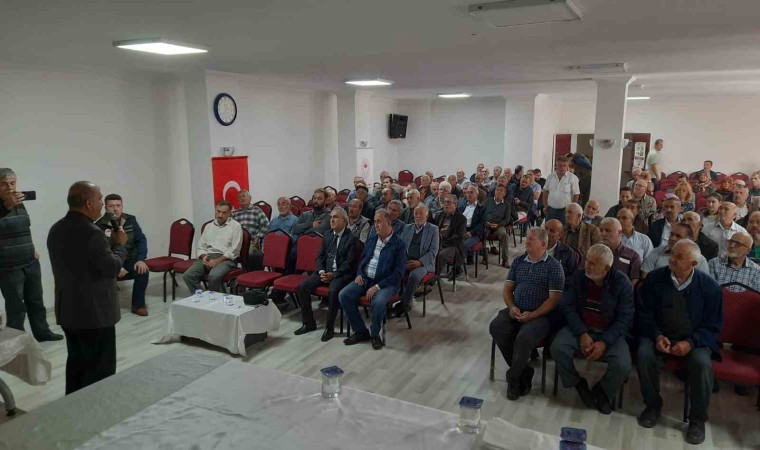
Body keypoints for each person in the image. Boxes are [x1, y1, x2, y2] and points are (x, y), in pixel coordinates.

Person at [636, 239, 723, 445]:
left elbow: (713, 326)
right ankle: (652, 406)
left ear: (693, 264)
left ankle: (697, 419)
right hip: (660, 335)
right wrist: (657, 335)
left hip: (694, 340)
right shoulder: (655, 278)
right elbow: (644, 314)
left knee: (702, 365)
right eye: (672, 254)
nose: (672, 259)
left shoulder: (710, 287)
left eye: (679, 257)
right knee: (644, 354)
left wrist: (690, 343)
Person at [48, 181, 127, 394]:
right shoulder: (92, 232)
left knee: (77, 364)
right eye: (100, 200)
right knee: (100, 369)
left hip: (68, 310)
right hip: (95, 313)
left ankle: (72, 405)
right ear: (89, 203)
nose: (102, 204)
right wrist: (119, 245)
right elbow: (111, 268)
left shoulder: (56, 228)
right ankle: (95, 410)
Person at [551, 244, 633, 415]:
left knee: (623, 365)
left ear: (607, 268)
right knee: (558, 348)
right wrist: (581, 333)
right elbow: (568, 308)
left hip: (609, 332)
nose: (587, 266)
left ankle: (602, 391)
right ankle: (576, 382)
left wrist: (605, 342)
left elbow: (624, 319)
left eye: (594, 263)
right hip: (581, 328)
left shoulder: (622, 283)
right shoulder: (579, 277)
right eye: (587, 260)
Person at [489, 227, 564, 401]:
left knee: (524, 337)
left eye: (531, 239)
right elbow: (507, 290)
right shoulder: (519, 261)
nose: (526, 241)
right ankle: (524, 371)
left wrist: (533, 314)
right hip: (517, 309)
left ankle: (513, 380)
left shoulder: (554, 266)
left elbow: (554, 300)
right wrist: (511, 307)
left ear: (543, 244)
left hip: (541, 316)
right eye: (527, 238)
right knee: (496, 326)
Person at [0, 168, 62, 341]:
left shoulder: (20, 203)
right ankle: (17, 341)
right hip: (8, 266)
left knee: (36, 301)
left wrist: (31, 248)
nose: (9, 187)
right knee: (15, 307)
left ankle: (43, 333)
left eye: (12, 183)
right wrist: (5, 207)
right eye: (4, 184)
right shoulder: (8, 204)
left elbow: (24, 228)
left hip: (30, 261)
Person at [339, 210, 407, 350]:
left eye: (379, 221)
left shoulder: (399, 244)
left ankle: (375, 334)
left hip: (387, 283)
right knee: (344, 295)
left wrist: (377, 287)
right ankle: (361, 331)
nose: (376, 225)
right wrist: (359, 274)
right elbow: (363, 260)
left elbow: (398, 273)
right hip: (366, 278)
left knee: (379, 302)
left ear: (389, 223)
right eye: (375, 221)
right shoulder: (372, 239)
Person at [294, 207, 359, 341]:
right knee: (302, 287)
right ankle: (309, 323)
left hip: (341, 274)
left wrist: (333, 275)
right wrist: (322, 271)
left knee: (333, 290)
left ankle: (329, 328)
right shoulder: (328, 234)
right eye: (331, 217)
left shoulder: (352, 239)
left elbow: (350, 264)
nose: (332, 220)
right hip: (324, 271)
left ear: (345, 221)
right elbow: (319, 257)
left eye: (336, 217)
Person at [95, 194, 150, 316]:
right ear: (106, 207)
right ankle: (107, 308)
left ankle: (138, 306)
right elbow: (101, 251)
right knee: (100, 276)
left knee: (143, 270)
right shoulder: (99, 225)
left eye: (118, 205)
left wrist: (141, 259)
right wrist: (116, 266)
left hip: (130, 260)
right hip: (111, 263)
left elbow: (141, 240)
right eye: (111, 206)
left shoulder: (131, 219)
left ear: (122, 206)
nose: (115, 209)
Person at [183, 201, 242, 293]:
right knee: (188, 275)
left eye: (224, 212)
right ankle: (202, 298)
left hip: (226, 259)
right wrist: (203, 256)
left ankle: (219, 301)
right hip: (209, 256)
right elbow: (201, 245)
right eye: (218, 211)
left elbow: (234, 249)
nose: (220, 215)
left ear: (230, 213)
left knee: (213, 276)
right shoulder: (209, 226)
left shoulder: (235, 226)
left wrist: (218, 260)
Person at [397, 205, 439, 316]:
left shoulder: (433, 229)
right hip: (407, 261)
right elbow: (400, 247)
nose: (418, 216)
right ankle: (389, 301)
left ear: (427, 216)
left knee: (414, 276)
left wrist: (420, 262)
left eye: (421, 213)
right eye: (416, 213)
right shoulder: (407, 228)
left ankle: (404, 305)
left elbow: (433, 252)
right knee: (392, 270)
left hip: (424, 264)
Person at [641, 223, 709, 277]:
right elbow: (645, 277)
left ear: (689, 240)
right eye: (671, 234)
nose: (672, 238)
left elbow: (703, 284)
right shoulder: (656, 252)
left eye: (678, 236)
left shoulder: (700, 260)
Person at [232, 190, 269, 271]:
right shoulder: (234, 213)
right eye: (240, 197)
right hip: (237, 242)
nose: (242, 198)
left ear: (250, 198)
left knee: (253, 254)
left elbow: (266, 224)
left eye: (244, 196)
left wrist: (258, 236)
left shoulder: (256, 210)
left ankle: (253, 274)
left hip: (251, 242)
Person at [598, 218, 642, 285]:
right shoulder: (592, 252)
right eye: (601, 230)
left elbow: (634, 280)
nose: (603, 234)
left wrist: (625, 291)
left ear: (619, 233)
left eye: (608, 230)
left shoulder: (633, 256)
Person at [484, 184, 516, 267]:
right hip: (487, 224)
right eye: (497, 190)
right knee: (482, 233)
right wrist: (486, 223)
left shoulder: (507, 204)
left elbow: (506, 219)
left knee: (504, 235)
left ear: (504, 194)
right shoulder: (487, 201)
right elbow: (482, 215)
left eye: (501, 190)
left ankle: (505, 259)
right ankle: (484, 257)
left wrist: (498, 225)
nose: (498, 192)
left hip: (499, 225)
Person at [436, 194, 466, 279]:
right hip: (439, 242)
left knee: (440, 255)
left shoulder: (461, 219)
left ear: (455, 205)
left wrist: (444, 243)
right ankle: (426, 275)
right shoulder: (439, 215)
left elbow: (458, 236)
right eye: (445, 202)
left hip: (453, 245)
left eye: (448, 202)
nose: (446, 204)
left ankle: (434, 277)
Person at [542, 156, 580, 224]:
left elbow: (576, 194)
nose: (562, 168)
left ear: (567, 166)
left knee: (564, 229)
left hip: (565, 210)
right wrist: (545, 206)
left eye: (564, 166)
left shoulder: (573, 178)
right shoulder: (550, 177)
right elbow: (545, 191)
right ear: (556, 166)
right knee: (549, 227)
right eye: (560, 165)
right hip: (551, 209)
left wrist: (572, 209)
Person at [458, 185, 486, 265]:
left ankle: (457, 267)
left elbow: (482, 224)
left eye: (471, 192)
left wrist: (472, 232)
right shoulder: (462, 207)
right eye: (467, 192)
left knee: (464, 245)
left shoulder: (482, 208)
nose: (468, 194)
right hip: (462, 231)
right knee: (451, 242)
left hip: (474, 234)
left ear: (477, 195)